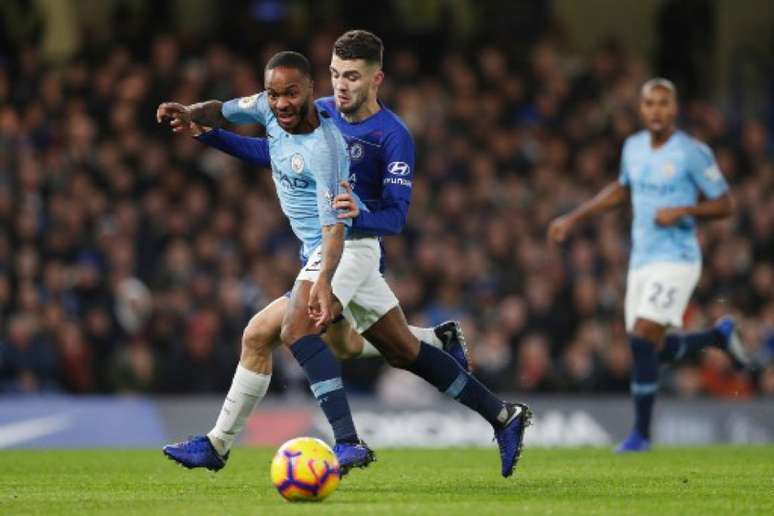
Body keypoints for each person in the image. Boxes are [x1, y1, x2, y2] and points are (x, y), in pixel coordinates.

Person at [162, 48, 531, 479]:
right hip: (322, 248)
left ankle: (340, 441)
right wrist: (198, 123)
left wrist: (332, 264)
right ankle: (500, 411)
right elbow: (255, 138)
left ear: (374, 79)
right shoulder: (287, 108)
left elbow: (368, 222)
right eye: (337, 73)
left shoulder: (355, 141)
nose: (341, 85)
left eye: (352, 76)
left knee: (286, 329)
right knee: (386, 350)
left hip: (349, 246)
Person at [548, 78, 751, 452]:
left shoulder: (692, 152)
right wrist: (574, 218)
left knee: (642, 337)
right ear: (641, 110)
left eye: (663, 103)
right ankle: (716, 337)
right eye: (649, 104)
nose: (656, 110)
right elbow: (622, 190)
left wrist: (685, 210)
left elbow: (726, 204)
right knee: (648, 349)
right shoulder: (633, 147)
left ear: (674, 109)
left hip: (677, 259)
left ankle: (640, 435)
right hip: (641, 261)